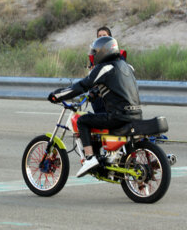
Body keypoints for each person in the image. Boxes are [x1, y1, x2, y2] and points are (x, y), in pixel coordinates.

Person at [48, 36, 142, 177]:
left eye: (94, 52)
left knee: (83, 120)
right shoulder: (126, 66)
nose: (92, 56)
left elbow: (81, 86)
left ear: (102, 52)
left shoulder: (104, 68)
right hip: (136, 114)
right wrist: (96, 92)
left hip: (117, 116)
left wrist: (58, 95)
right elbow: (117, 86)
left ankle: (90, 158)